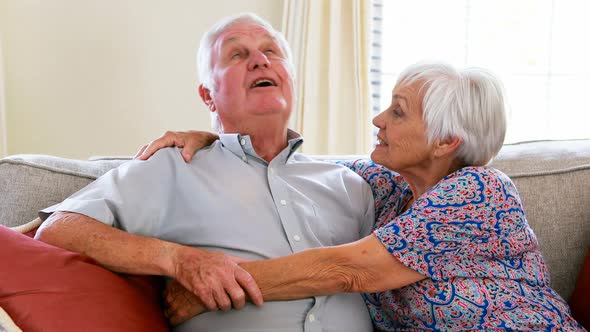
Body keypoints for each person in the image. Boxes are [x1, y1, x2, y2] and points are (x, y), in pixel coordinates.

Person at [139, 62, 585, 331]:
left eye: (398, 111)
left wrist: (211, 287)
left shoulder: (479, 193)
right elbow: (290, 164)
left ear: (446, 141)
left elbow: (345, 270)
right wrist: (221, 139)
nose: (378, 118)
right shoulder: (389, 187)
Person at [35, 12, 376, 332]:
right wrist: (178, 260)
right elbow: (59, 230)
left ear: (292, 80)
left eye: (271, 51)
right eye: (237, 55)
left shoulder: (352, 185)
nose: (261, 60)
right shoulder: (172, 166)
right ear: (208, 96)